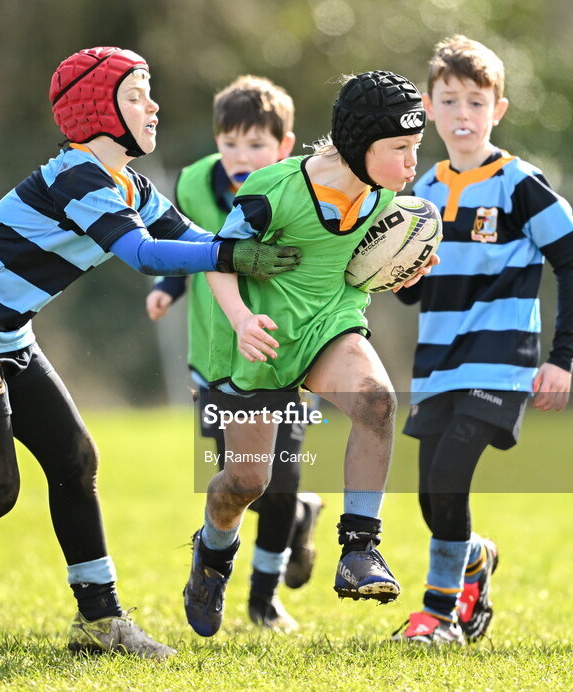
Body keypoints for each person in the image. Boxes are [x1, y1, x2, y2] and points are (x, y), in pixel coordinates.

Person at [0, 46, 302, 658]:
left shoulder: (130, 182)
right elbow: (144, 254)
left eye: (149, 93)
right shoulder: (77, 175)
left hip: (7, 337)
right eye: (136, 95)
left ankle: (101, 623)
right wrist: (228, 255)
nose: (153, 106)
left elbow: (198, 241)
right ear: (98, 111)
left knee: (75, 463)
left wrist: (268, 242)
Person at [181, 70, 440, 638]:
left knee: (376, 402)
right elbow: (218, 261)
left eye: (415, 148)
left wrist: (408, 272)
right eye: (400, 148)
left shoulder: (389, 199)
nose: (412, 162)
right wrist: (244, 320)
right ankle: (213, 551)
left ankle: (360, 549)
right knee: (246, 483)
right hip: (260, 343)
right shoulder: (274, 190)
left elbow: (381, 276)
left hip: (330, 326)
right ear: (358, 146)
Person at [390, 36, 573, 646]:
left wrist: (561, 360)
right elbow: (408, 292)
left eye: (476, 103)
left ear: (497, 110)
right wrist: (399, 268)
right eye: (449, 101)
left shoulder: (519, 183)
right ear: (428, 107)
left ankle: (440, 616)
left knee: (449, 476)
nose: (462, 115)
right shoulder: (421, 190)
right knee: (431, 497)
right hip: (437, 364)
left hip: (500, 363)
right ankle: (473, 558)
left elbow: (570, 264)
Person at [144, 75, 323, 632]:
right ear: (215, 141)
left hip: (284, 358)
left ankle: (263, 600)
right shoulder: (194, 182)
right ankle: (298, 519)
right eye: (230, 144)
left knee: (280, 477)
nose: (241, 157)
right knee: (242, 479)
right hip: (217, 357)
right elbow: (188, 248)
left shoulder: (301, 188)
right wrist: (168, 289)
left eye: (256, 145)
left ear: (284, 147)